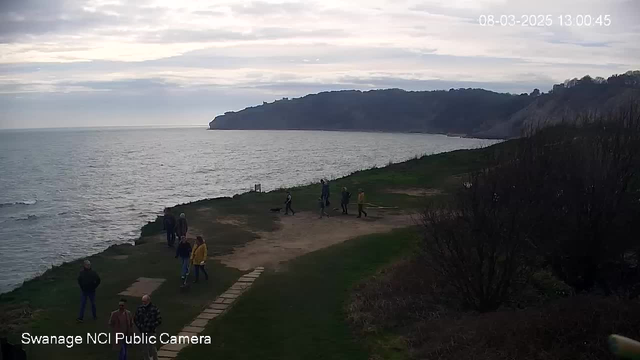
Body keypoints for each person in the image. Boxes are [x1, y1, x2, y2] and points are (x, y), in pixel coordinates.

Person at [134, 295, 161, 360]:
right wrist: (140, 326)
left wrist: (152, 326)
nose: (143, 303)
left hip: (151, 331)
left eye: (145, 301)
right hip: (143, 331)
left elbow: (159, 320)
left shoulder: (154, 309)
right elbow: (135, 319)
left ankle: (155, 359)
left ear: (149, 301)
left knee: (152, 347)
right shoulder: (139, 309)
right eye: (143, 301)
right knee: (144, 348)